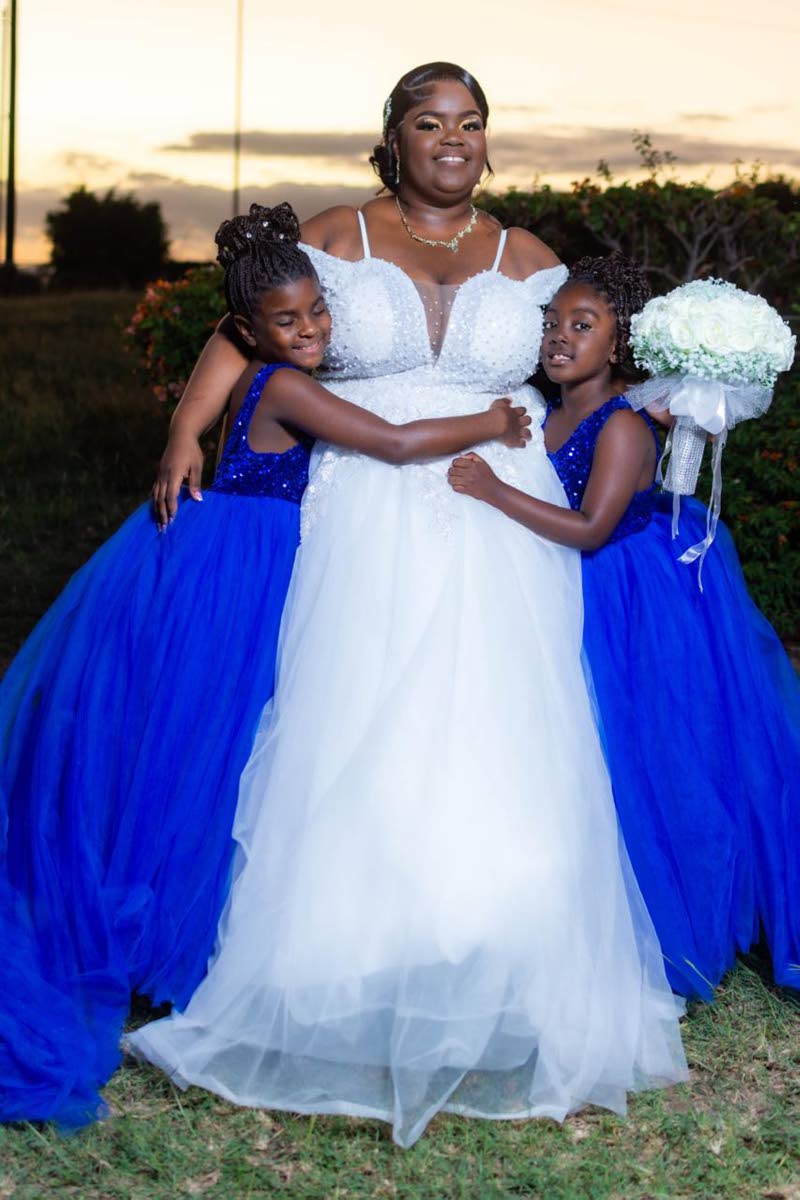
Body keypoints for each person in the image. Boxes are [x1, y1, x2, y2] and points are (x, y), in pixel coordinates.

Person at [128, 66, 687, 1148]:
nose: (451, 140)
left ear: (487, 140)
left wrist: (670, 414)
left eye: (470, 124)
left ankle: (502, 954)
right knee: (356, 718)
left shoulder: (526, 256)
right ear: (392, 137)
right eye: (429, 122)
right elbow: (247, 332)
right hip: (365, 507)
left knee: (498, 731)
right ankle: (339, 961)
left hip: (498, 510)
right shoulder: (341, 232)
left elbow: (589, 354)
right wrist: (186, 428)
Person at [0, 201, 531, 1127]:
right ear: (250, 330)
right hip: (241, 573)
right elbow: (398, 442)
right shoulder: (284, 384)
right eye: (289, 323)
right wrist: (487, 422)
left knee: (213, 753)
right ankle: (167, 941)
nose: (313, 331)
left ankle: (180, 936)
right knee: (213, 749)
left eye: (319, 316)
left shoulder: (287, 357)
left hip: (250, 557)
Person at [447, 252, 800, 1000]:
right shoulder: (547, 408)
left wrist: (488, 492)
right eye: (552, 325)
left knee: (638, 754)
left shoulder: (624, 425)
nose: (560, 338)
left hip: (624, 593)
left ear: (619, 343)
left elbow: (589, 528)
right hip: (559, 583)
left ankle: (665, 923)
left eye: (583, 325)